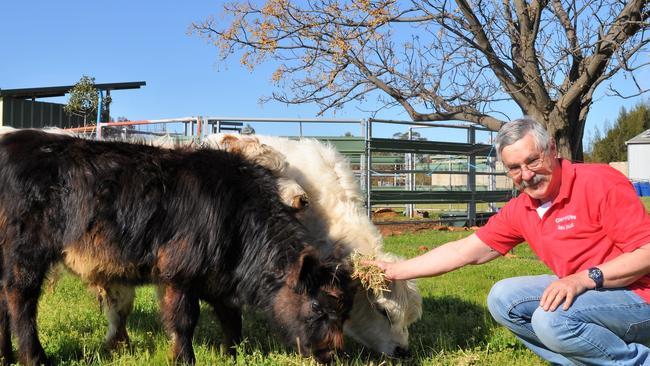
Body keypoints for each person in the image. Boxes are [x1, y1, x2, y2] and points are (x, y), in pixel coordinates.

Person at [369, 117, 650, 365]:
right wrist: (394, 271)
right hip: (593, 291)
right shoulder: (523, 208)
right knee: (503, 298)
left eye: (533, 160)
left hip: (639, 295)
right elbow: (463, 250)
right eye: (514, 168)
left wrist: (583, 279)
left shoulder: (598, 182)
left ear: (552, 149)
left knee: (551, 319)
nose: (526, 175)